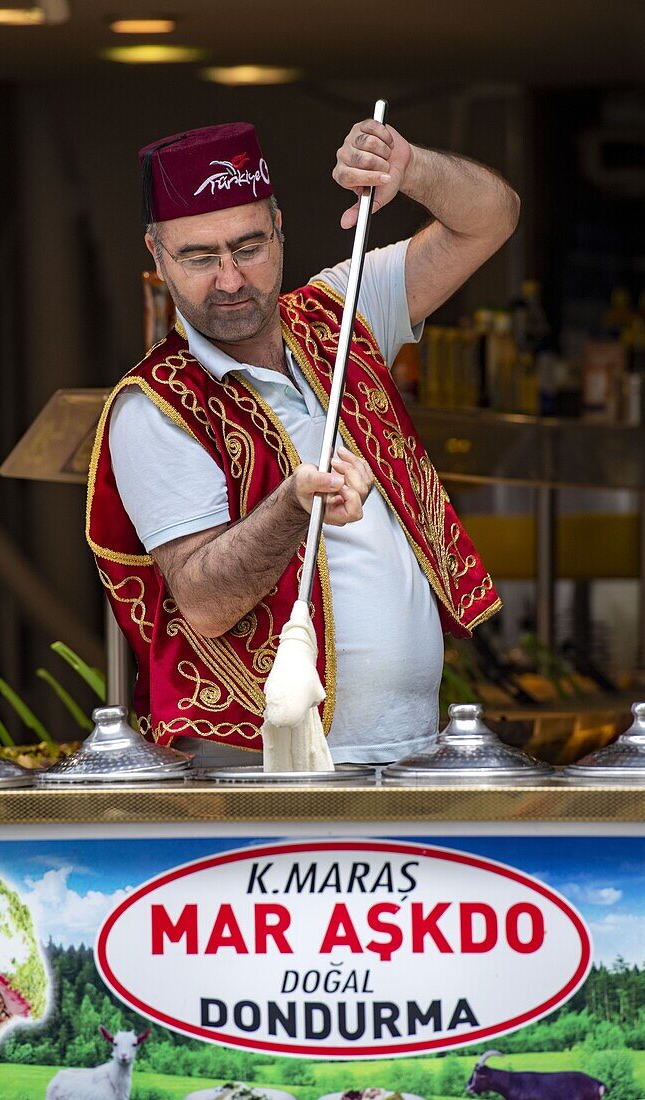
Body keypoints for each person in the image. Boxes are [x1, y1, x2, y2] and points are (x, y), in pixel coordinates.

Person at [87, 115, 519, 766]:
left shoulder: (342, 311)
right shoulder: (155, 404)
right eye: (199, 257)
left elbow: (492, 217)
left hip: (409, 754)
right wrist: (293, 504)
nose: (229, 279)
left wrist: (413, 169)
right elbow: (203, 602)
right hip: (265, 771)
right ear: (156, 256)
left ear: (280, 226)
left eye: (249, 247)